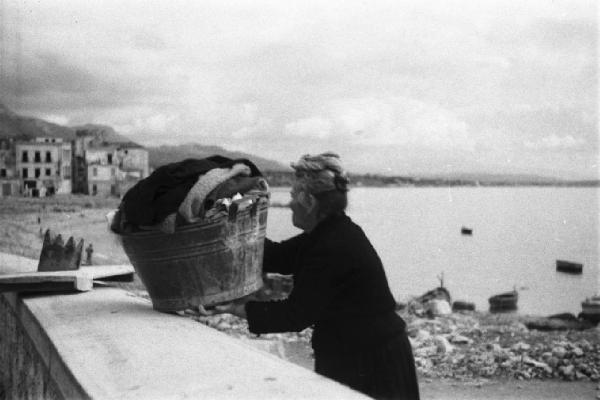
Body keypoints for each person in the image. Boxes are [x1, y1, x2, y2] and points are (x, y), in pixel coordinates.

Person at [202, 152, 420, 400]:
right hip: (354, 352)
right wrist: (232, 223)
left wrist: (235, 308)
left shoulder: (333, 246)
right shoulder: (327, 233)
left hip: (372, 363)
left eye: (294, 196)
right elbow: (276, 256)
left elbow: (295, 315)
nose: (290, 203)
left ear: (310, 202)